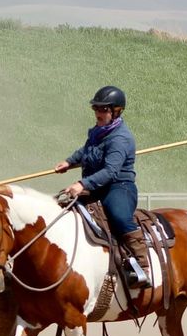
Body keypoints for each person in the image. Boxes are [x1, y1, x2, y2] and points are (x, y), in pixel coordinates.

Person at [55, 85, 150, 288]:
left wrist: (82, 184)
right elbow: (87, 150)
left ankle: (143, 266)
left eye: (104, 109)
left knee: (119, 216)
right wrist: (69, 162)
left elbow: (110, 171)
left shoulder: (121, 138)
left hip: (118, 186)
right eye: (96, 108)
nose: (99, 112)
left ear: (117, 111)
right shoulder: (98, 132)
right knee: (63, 207)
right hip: (96, 185)